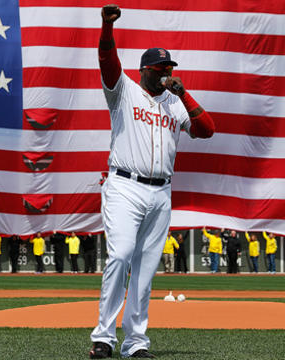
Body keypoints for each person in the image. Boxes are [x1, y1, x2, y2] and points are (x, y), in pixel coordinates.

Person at [89, 4, 215, 359]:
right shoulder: (124, 91)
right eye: (161, 68)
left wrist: (183, 93)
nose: (166, 72)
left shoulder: (175, 104)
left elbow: (207, 131)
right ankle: (103, 336)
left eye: (170, 67)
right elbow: (107, 60)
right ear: (144, 70)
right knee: (122, 255)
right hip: (125, 186)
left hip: (161, 192)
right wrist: (106, 26)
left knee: (145, 269)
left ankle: (136, 342)